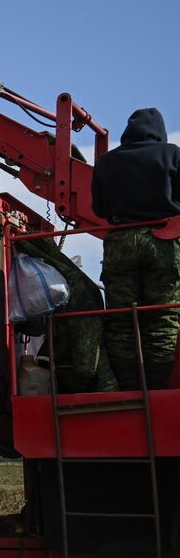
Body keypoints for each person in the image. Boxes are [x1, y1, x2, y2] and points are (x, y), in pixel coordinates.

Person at [91, 107, 180, 390]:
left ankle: (129, 386)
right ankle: (156, 386)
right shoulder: (173, 154)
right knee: (162, 318)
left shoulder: (107, 163)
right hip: (163, 241)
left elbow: (99, 209)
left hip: (120, 244)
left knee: (121, 321)